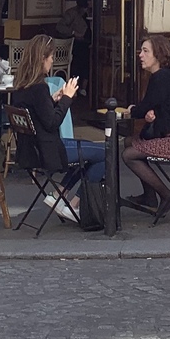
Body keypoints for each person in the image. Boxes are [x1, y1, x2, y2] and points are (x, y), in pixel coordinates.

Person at [10, 34, 104, 224]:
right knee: (105, 152)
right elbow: (52, 123)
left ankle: (58, 195)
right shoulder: (39, 88)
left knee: (87, 148)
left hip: (32, 150)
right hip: (48, 151)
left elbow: (37, 113)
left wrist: (52, 100)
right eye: (50, 56)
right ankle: (75, 204)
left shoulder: (21, 87)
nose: (52, 60)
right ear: (42, 58)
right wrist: (68, 98)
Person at [121, 35, 170, 217]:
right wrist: (152, 114)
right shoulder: (163, 76)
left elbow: (143, 107)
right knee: (129, 142)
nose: (140, 55)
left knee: (128, 155)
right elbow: (157, 107)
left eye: (146, 51)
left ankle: (167, 195)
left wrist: (134, 109)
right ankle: (149, 196)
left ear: (158, 55)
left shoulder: (161, 77)